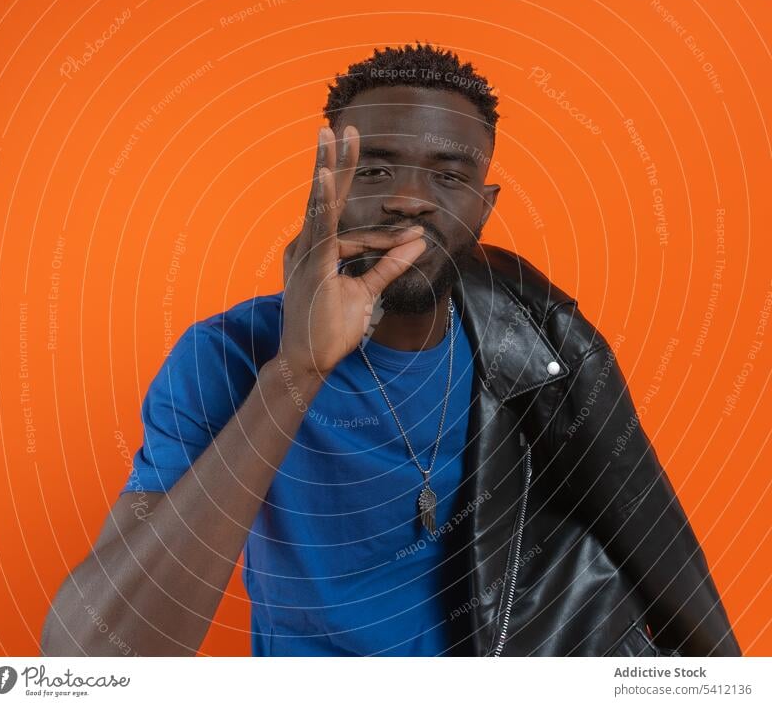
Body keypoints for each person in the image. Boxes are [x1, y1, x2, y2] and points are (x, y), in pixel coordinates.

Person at [41, 43, 741, 657]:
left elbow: (660, 557)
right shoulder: (223, 357)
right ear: (327, 188)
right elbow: (92, 658)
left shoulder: (541, 340)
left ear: (484, 207)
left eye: (449, 175)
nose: (410, 198)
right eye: (373, 171)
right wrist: (297, 371)